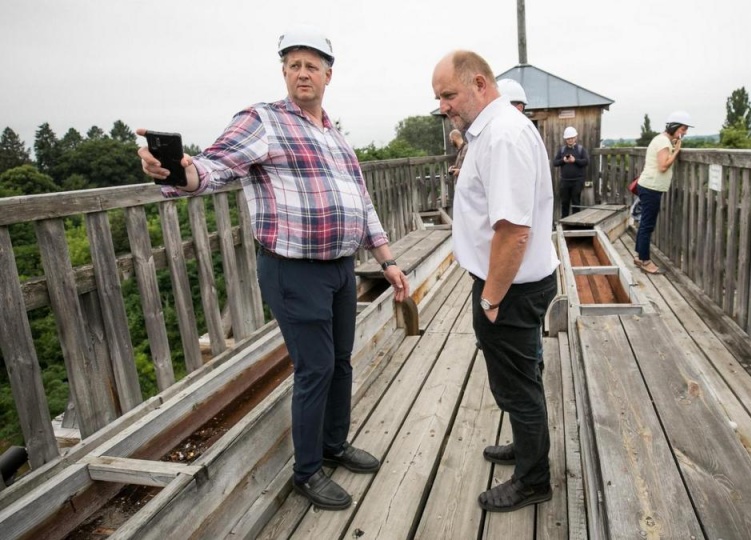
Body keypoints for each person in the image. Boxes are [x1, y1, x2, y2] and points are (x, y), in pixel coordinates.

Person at [137, 25, 410, 511]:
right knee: (316, 368)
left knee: (341, 361)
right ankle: (307, 471)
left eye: (312, 65)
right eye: (294, 65)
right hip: (293, 269)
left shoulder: (337, 137)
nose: (303, 73)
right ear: (284, 72)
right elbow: (212, 168)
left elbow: (362, 204)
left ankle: (334, 444)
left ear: (329, 74)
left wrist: (387, 260)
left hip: (342, 267)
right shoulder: (262, 120)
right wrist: (176, 171)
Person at [432, 50, 559, 512]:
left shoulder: (502, 135)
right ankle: (528, 449)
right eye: (439, 97)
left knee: (518, 386)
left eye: (449, 94)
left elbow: (513, 230)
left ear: (480, 84)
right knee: (517, 380)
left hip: (508, 288)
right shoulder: (489, 131)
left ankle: (533, 479)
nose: (443, 105)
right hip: (508, 284)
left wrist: (490, 300)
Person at [633, 110, 693, 274]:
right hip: (651, 187)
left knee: (645, 222)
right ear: (674, 127)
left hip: (648, 186)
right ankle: (645, 261)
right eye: (683, 129)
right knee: (647, 225)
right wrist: (676, 151)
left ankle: (639, 257)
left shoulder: (661, 139)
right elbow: (663, 166)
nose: (685, 133)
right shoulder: (664, 142)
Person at [552, 126, 589, 218]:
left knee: (576, 202)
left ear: (575, 138)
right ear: (565, 139)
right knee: (565, 203)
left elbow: (586, 161)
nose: (570, 140)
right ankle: (564, 222)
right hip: (565, 181)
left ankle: (575, 223)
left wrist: (575, 160)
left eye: (572, 138)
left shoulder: (580, 149)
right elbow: (555, 163)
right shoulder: (562, 150)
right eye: (568, 138)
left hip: (577, 181)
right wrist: (563, 160)